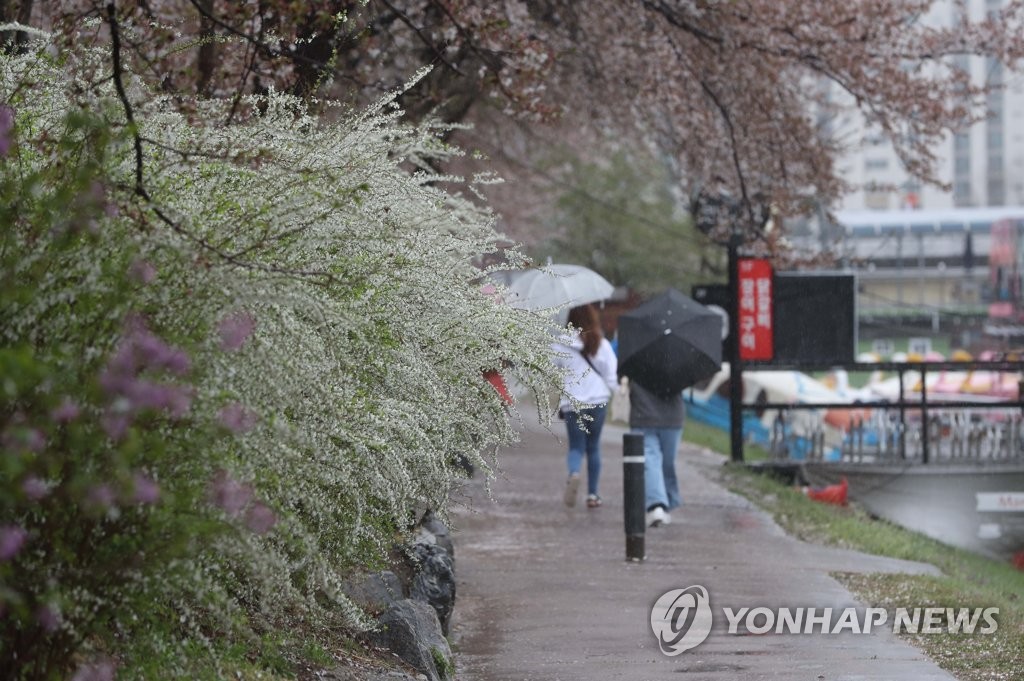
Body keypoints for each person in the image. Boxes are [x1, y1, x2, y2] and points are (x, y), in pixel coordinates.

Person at [552, 304, 618, 509]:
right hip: (598, 401)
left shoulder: (561, 343)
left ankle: (574, 473)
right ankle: (593, 494)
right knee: (593, 447)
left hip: (573, 403)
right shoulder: (601, 343)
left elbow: (552, 369)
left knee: (576, 447)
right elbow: (611, 375)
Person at [628, 378, 684, 527]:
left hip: (643, 415)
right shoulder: (679, 360)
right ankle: (660, 503)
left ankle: (659, 503)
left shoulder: (636, 359)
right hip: (672, 417)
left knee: (651, 461)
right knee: (666, 463)